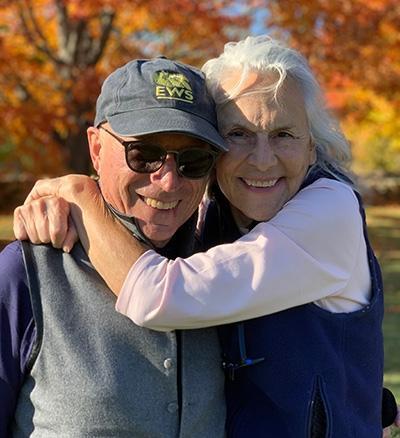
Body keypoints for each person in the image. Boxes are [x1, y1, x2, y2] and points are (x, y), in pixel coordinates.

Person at [13, 36, 399, 436]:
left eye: (284, 134)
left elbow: (158, 295)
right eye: (239, 134)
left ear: (313, 148)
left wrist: (78, 194)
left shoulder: (331, 210)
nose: (263, 159)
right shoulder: (211, 212)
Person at [0, 57, 229, 436]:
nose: (169, 181)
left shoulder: (225, 268)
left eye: (194, 160)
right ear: (95, 148)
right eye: (143, 154)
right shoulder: (27, 273)